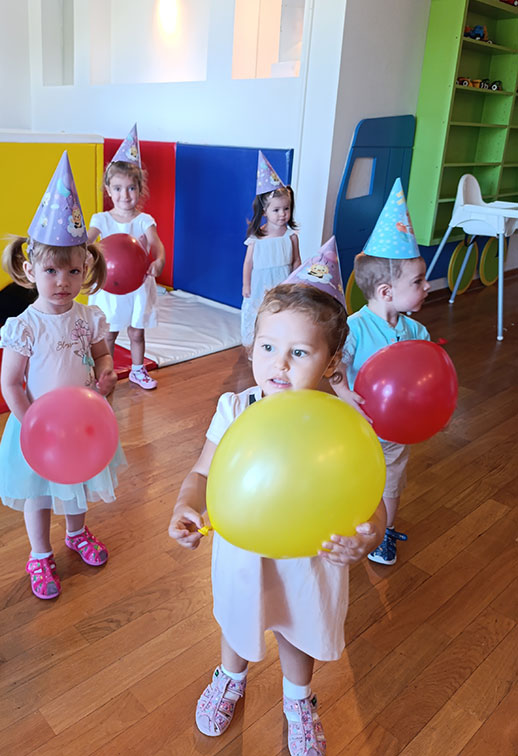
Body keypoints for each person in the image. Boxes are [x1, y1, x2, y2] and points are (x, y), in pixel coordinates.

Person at [169, 238, 386, 755]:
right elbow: (202, 471)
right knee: (238, 617)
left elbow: (371, 499)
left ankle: (298, 699)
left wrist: (369, 536)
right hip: (243, 549)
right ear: (252, 345)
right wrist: (185, 504)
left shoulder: (345, 426)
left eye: (300, 352)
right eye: (268, 347)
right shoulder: (236, 407)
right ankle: (230, 677)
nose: (279, 365)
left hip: (311, 555)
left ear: (332, 361)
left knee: (297, 625)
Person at [0, 151, 125, 600]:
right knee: (38, 493)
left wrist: (106, 376)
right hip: (35, 425)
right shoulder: (23, 326)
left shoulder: (88, 316)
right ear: (30, 270)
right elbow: (10, 382)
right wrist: (30, 422)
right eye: (51, 271)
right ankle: (39, 553)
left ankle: (76, 532)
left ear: (85, 270)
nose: (62, 281)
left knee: (77, 483)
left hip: (83, 424)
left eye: (72, 271)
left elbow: (102, 355)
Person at [330, 179, 430, 565]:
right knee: (351, 475)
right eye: (418, 282)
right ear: (387, 291)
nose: (426, 287)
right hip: (358, 424)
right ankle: (348, 520)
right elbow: (335, 365)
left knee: (391, 481)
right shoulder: (355, 327)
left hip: (396, 431)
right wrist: (344, 394)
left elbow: (426, 375)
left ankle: (385, 530)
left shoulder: (416, 331)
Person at [88, 125, 165, 390]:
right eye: (118, 188)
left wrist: (159, 260)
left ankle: (137, 370)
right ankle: (105, 373)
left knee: (136, 331)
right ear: (108, 190)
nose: (125, 195)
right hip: (110, 286)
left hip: (137, 286)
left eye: (131, 188)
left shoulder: (144, 220)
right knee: (108, 333)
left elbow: (156, 243)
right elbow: (87, 241)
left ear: (140, 190)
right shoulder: (101, 219)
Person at [241, 152, 301, 346]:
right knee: (259, 313)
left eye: (286, 209)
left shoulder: (290, 235)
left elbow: (296, 261)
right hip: (260, 284)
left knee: (280, 313)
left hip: (282, 282)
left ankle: (277, 344)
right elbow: (248, 263)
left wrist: (295, 281)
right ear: (265, 211)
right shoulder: (257, 237)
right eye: (276, 210)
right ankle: (255, 345)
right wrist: (246, 285)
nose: (282, 214)